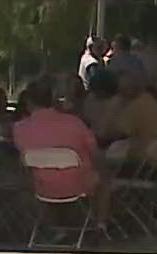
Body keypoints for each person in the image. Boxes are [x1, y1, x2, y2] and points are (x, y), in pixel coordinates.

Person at [13, 79, 113, 225]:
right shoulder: (75, 123)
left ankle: (54, 227)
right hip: (79, 184)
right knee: (104, 181)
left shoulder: (19, 129)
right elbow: (95, 154)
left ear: (28, 101)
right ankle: (99, 224)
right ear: (54, 99)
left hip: (41, 187)